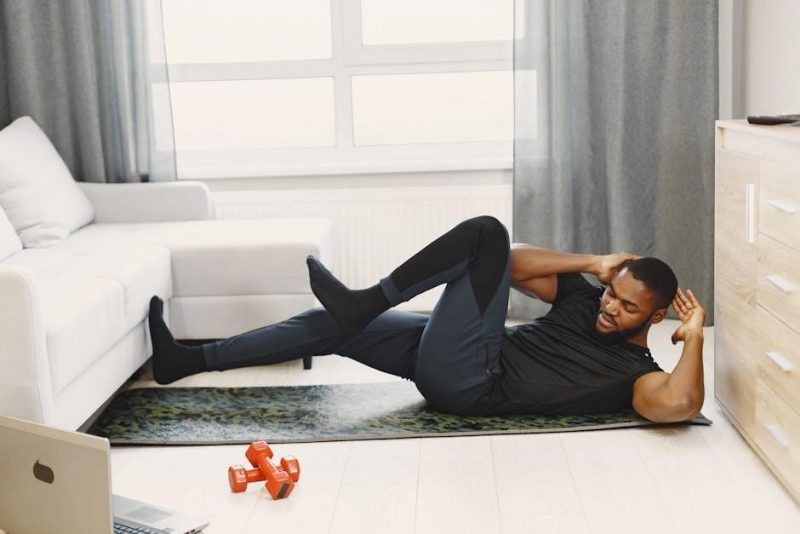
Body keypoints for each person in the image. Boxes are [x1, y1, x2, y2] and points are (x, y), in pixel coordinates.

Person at [147, 215, 706, 421]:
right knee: (328, 325)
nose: (610, 307)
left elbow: (680, 405)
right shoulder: (586, 300)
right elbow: (509, 266)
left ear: (657, 316)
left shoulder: (635, 372)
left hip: (475, 384)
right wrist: (590, 263)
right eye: (612, 294)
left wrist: (696, 336)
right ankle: (186, 361)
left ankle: (368, 299)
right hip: (461, 356)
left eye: (628, 307)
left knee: (485, 232)